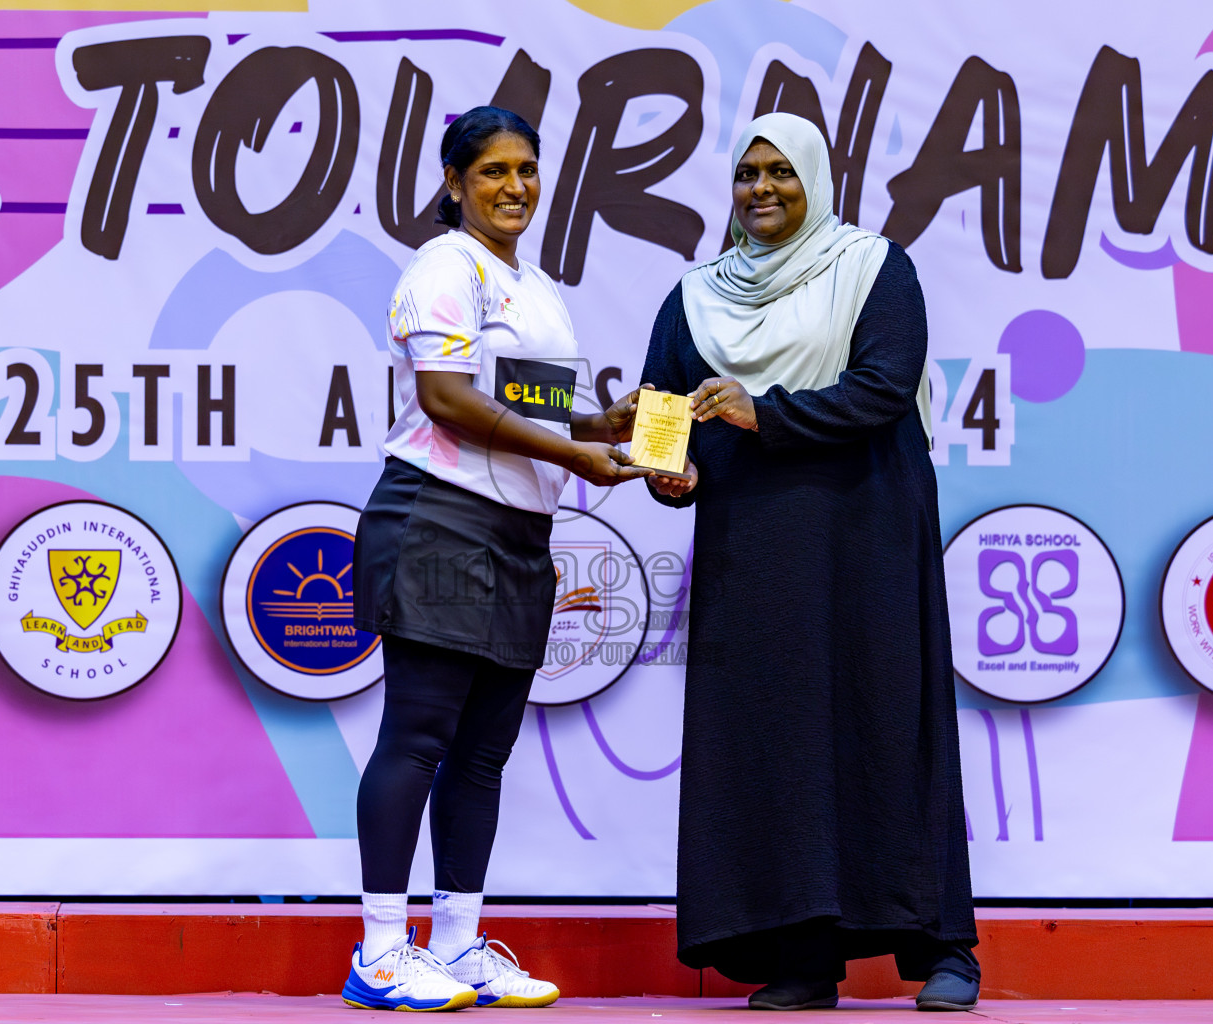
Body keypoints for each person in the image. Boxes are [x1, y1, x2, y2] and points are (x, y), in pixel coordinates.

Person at [639, 112, 981, 1012]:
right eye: (747, 174)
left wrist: (764, 413)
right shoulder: (694, 295)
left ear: (816, 180)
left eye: (780, 173)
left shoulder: (872, 268)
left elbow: (880, 387)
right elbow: (661, 412)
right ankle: (802, 957)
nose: (761, 190)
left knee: (890, 724)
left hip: (866, 528)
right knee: (774, 743)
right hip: (752, 547)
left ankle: (945, 947)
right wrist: (665, 476)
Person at [345, 105, 651, 1012]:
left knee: (481, 757)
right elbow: (446, 400)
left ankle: (460, 943)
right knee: (420, 738)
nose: (514, 187)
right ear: (453, 183)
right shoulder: (444, 268)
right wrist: (576, 455)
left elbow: (532, 409)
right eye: (492, 172)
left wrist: (609, 426)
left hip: (519, 534)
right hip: (440, 520)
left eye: (526, 169)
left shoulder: (534, 285)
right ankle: (381, 951)